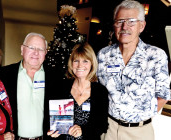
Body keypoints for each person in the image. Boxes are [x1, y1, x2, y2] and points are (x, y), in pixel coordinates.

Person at [97, 0, 171, 140]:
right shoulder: (104, 54)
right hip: (108, 129)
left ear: (141, 26)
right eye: (120, 21)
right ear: (114, 25)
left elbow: (163, 95)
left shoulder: (156, 55)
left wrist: (139, 116)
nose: (125, 26)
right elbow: (97, 90)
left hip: (139, 132)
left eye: (132, 21)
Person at [47, 43, 109, 140]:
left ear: (91, 64)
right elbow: (51, 119)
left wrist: (83, 130)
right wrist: (52, 131)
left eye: (85, 61)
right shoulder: (60, 87)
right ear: (71, 63)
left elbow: (102, 126)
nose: (80, 65)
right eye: (76, 61)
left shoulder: (100, 91)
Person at [0, 32, 51, 140]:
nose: (36, 53)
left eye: (41, 49)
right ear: (22, 49)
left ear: (45, 52)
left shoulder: (55, 77)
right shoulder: (4, 75)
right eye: (31, 47)